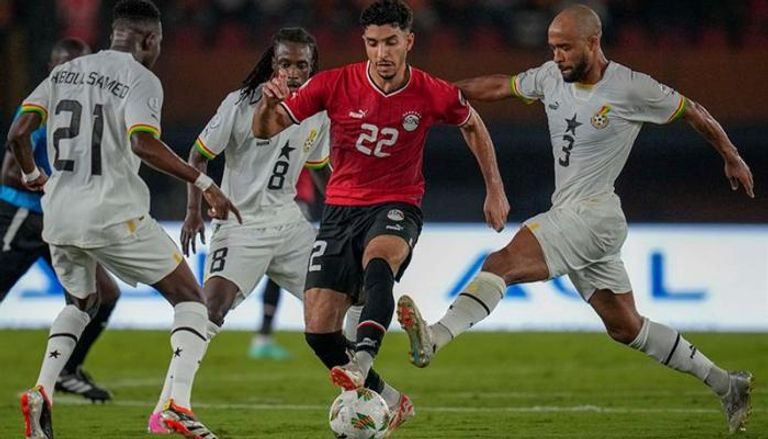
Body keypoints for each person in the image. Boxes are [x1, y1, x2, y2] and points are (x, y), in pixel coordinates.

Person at [396, 4, 755, 434]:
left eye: (565, 48)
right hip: (579, 216)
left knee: (500, 264)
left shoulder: (632, 87)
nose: (557, 56)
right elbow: (500, 86)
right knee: (626, 327)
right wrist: (439, 93)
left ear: (593, 42)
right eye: (552, 48)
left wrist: (732, 156)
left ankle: (435, 337)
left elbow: (693, 110)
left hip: (593, 214)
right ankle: (727, 384)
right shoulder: (551, 77)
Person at [253, 0, 509, 434]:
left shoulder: (430, 91)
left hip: (397, 203)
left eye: (391, 42)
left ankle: (362, 359)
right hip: (340, 209)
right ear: (364, 43)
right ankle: (391, 399)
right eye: (373, 43)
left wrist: (495, 189)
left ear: (409, 41)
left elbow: (472, 123)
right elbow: (266, 128)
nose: (382, 53)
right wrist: (266, 104)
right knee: (318, 331)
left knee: (379, 265)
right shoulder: (333, 84)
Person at [9, 1, 240, 438]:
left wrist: (32, 175)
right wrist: (204, 182)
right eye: (159, 42)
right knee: (191, 298)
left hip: (58, 213)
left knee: (80, 304)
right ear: (149, 39)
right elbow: (142, 144)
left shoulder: (64, 72)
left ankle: (42, 389)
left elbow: (18, 133)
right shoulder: (141, 78)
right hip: (112, 213)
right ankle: (176, 406)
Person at [146, 26, 367, 434]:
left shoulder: (317, 112)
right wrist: (194, 209)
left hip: (289, 225)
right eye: (285, 64)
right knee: (210, 308)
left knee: (351, 293)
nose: (293, 73)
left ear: (313, 66)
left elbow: (320, 168)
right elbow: (199, 153)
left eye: (302, 65)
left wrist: (349, 215)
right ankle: (170, 406)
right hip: (240, 225)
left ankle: (359, 398)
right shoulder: (240, 103)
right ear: (272, 64)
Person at [1, 37, 117, 403]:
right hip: (23, 215)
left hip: (60, 221)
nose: (74, 72)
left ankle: (67, 370)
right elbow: (9, 172)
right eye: (66, 65)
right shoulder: (41, 106)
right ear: (52, 68)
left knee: (104, 295)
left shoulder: (92, 108)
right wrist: (55, 187)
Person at [248, 169, 317, 360]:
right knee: (307, 272)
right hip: (292, 202)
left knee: (275, 273)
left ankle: (263, 336)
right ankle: (324, 333)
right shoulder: (301, 148)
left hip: (272, 203)